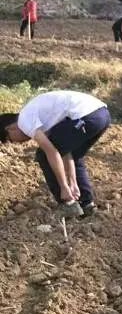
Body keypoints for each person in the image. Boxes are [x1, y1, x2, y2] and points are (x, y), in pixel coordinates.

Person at [0, 89, 112, 218]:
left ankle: (68, 204)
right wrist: (72, 182)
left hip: (86, 115)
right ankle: (86, 205)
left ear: (9, 128)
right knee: (74, 155)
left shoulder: (24, 121)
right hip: (102, 114)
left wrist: (64, 187)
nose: (16, 143)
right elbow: (65, 150)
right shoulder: (38, 117)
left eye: (10, 140)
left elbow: (52, 152)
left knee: (43, 156)